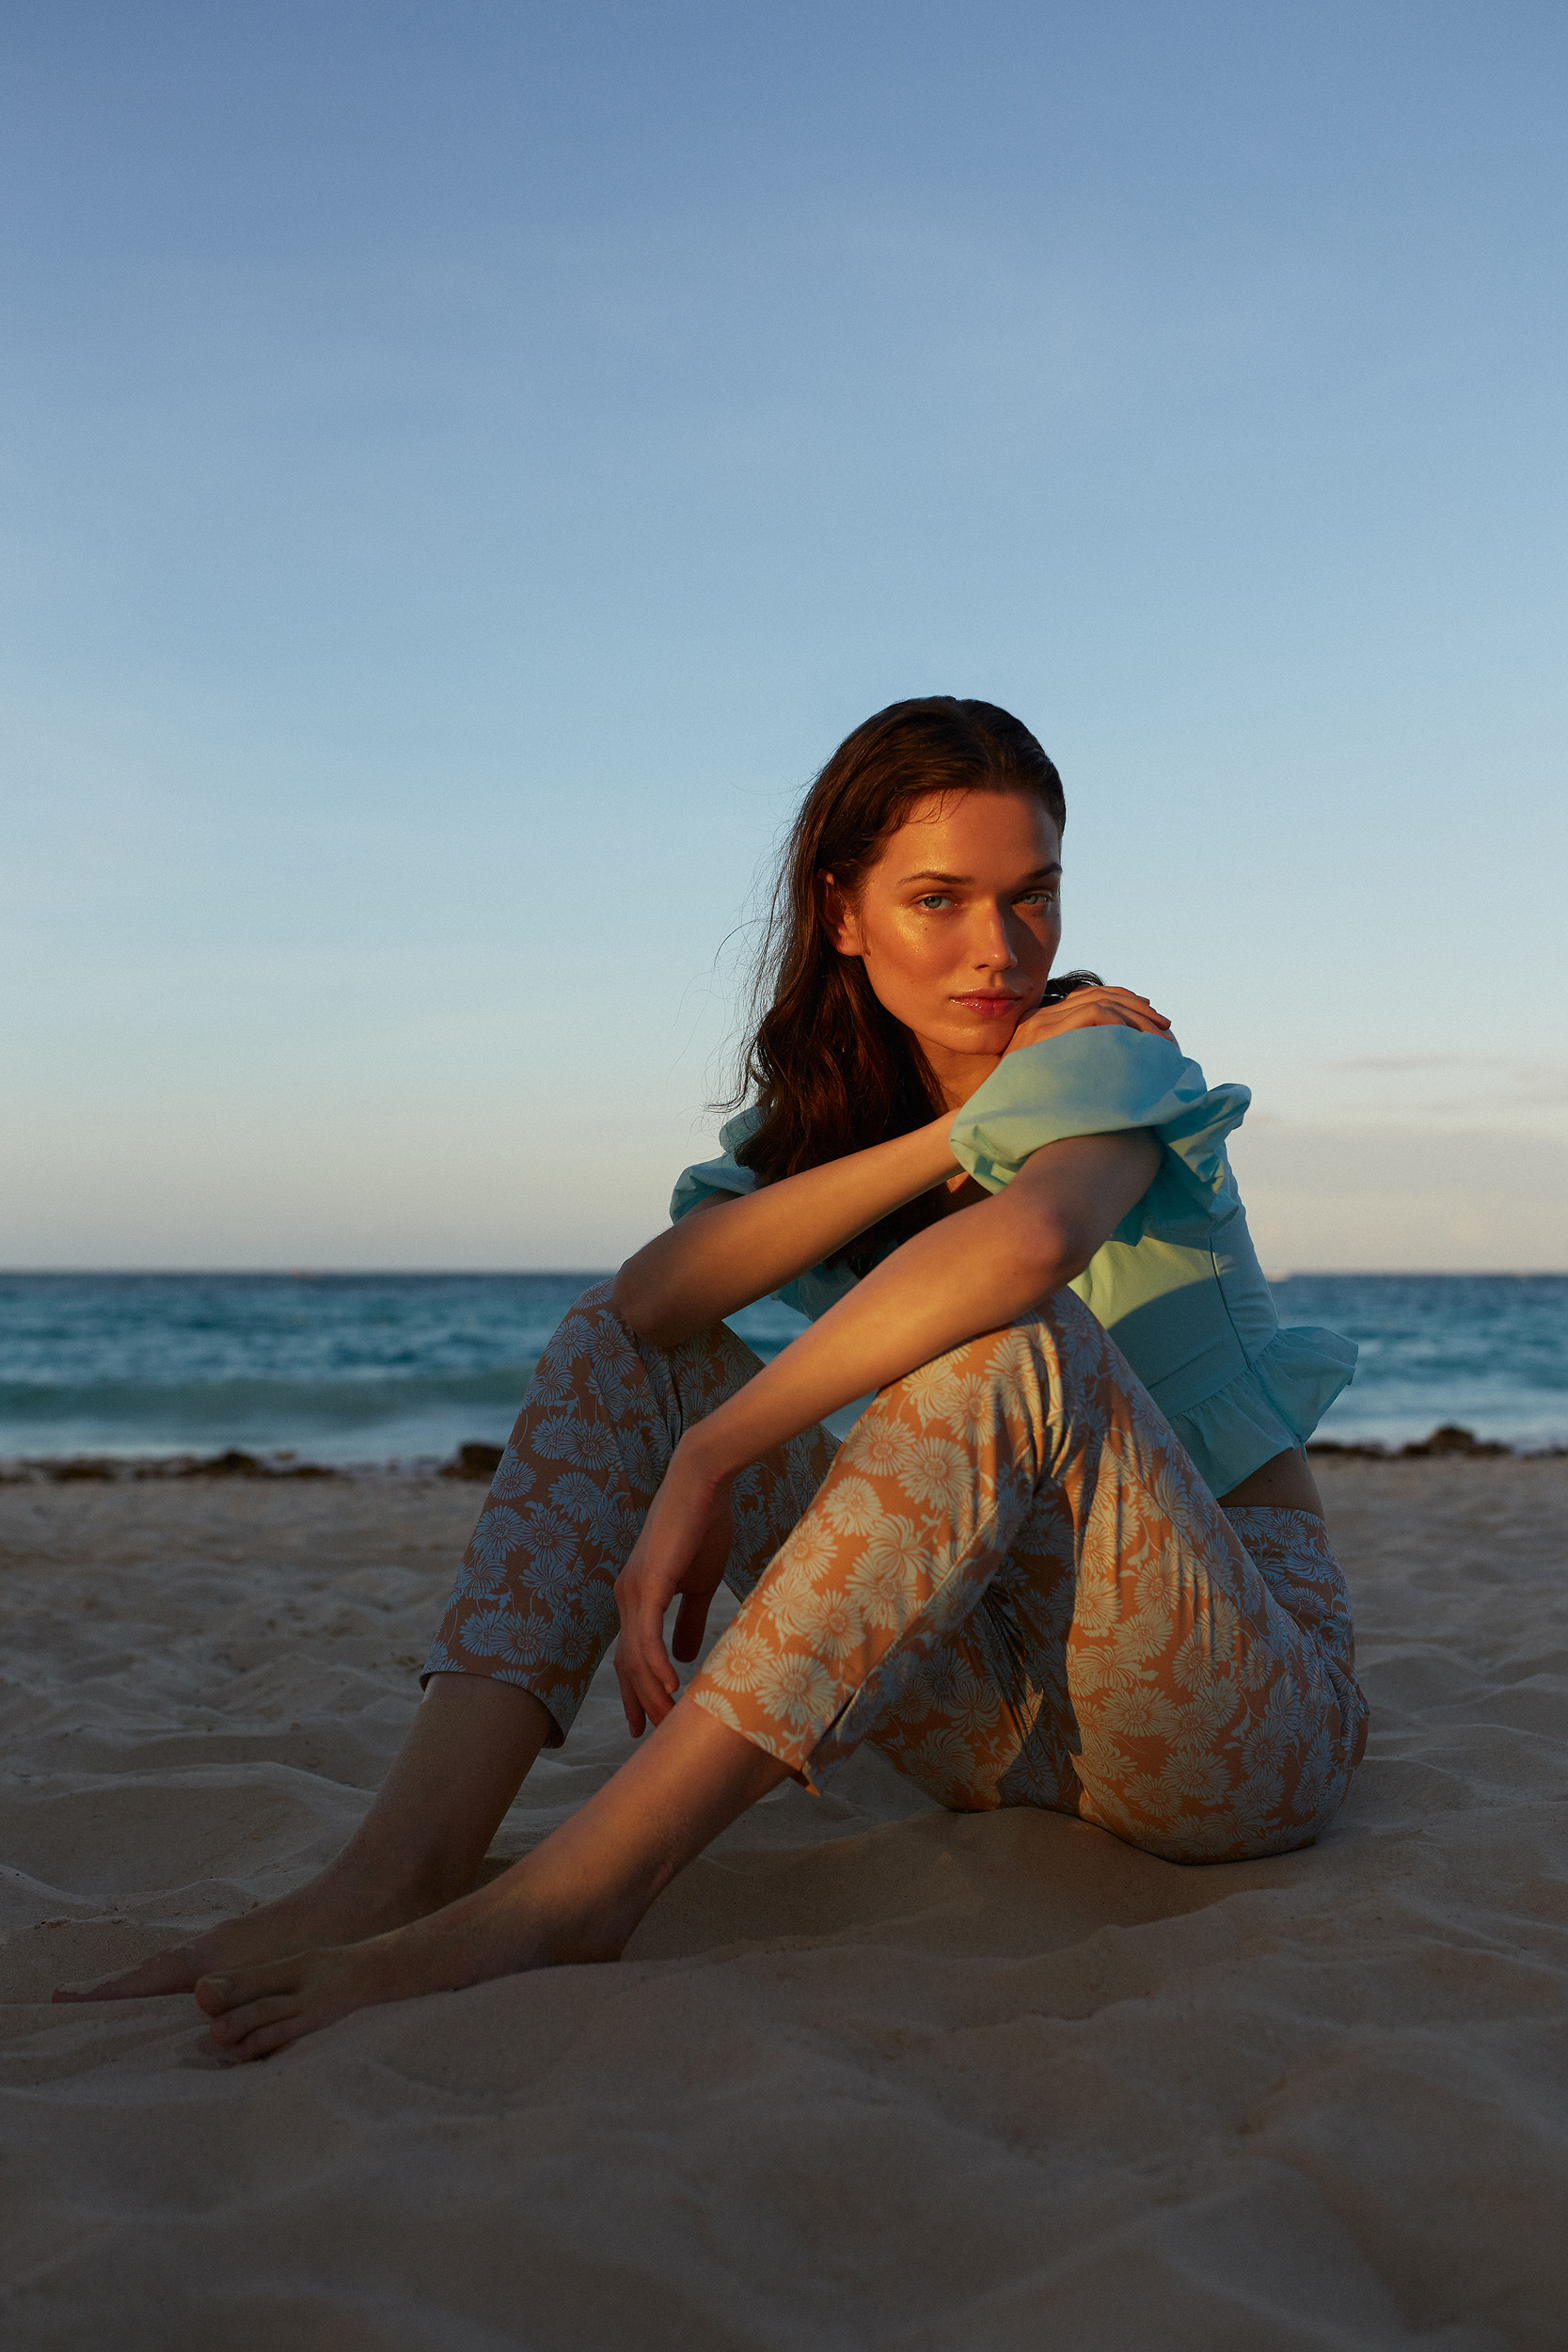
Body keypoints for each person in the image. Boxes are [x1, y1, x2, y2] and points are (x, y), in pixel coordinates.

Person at [59, 696, 1367, 2061]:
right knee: (612, 1348)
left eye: (1030, 895)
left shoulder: (1105, 1048)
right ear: (842, 913)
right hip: (983, 1722)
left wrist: (718, 1451)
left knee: (1014, 1346)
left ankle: (574, 1898)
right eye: (939, 899)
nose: (1000, 947)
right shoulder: (836, 1130)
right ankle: (401, 1870)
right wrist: (956, 1135)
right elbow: (653, 1298)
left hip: (1229, 1716)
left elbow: (1032, 1242)